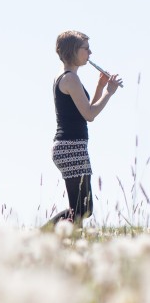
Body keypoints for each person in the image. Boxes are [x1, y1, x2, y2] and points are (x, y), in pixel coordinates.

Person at [47, 30, 122, 227]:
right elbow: (90, 114)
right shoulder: (70, 79)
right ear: (73, 50)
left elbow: (86, 113)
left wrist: (99, 87)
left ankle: (46, 237)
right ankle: (41, 236)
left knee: (81, 210)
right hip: (70, 147)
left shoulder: (69, 78)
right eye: (86, 49)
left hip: (71, 147)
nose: (90, 53)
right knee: (81, 210)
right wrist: (109, 92)